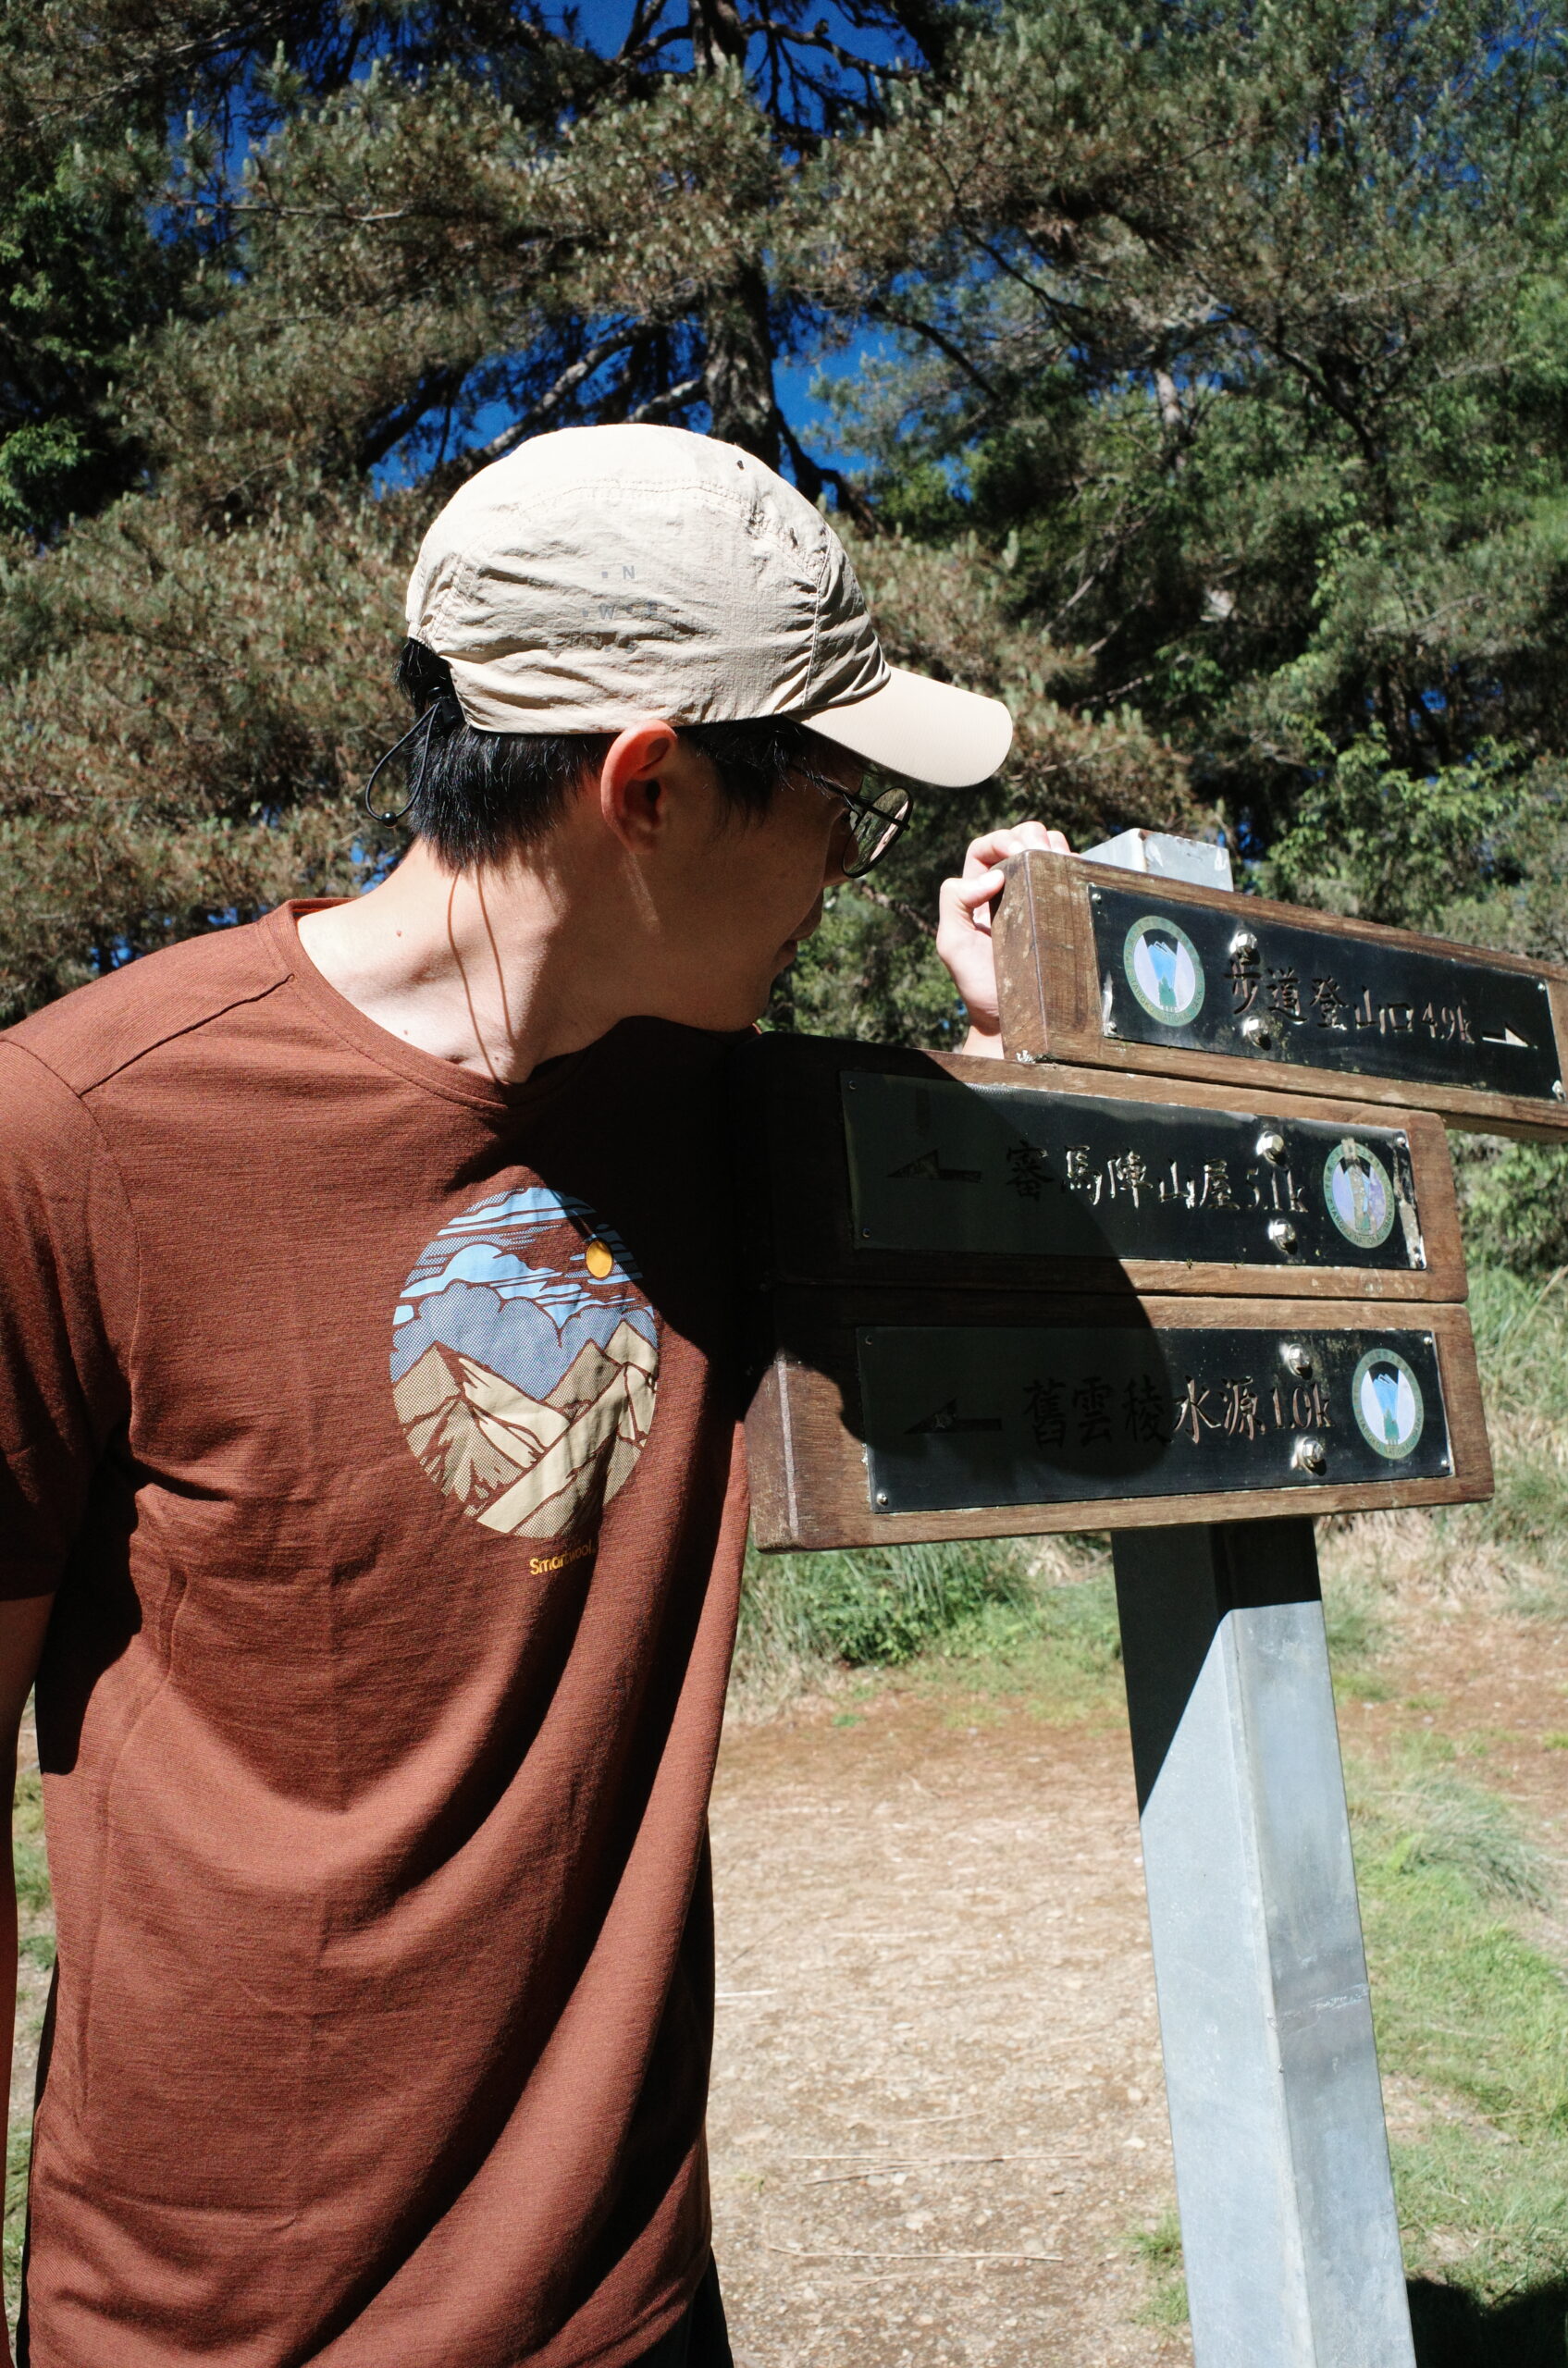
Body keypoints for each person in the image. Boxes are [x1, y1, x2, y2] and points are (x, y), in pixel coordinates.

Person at [0, 424, 1065, 2368]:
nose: (847, 868)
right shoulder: (79, 1132)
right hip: (215, 2329)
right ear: (648, 788)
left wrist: (1024, 1038)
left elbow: (1036, 1350)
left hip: (625, 2315)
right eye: (836, 806)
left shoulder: (734, 1125)